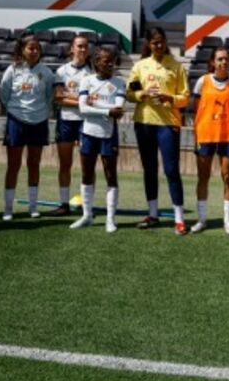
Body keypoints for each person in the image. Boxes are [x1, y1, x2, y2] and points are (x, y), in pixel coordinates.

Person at [126, 27, 190, 234]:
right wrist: (142, 94)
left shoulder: (176, 66)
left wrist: (170, 98)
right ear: (148, 44)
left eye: (161, 41)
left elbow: (185, 97)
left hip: (168, 123)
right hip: (144, 122)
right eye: (154, 43)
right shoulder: (140, 66)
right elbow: (130, 92)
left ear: (166, 42)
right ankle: (152, 214)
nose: (159, 46)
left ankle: (179, 219)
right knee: (150, 169)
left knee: (172, 171)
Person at [0, 32, 56, 220]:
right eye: (30, 48)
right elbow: (4, 94)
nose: (34, 51)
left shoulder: (47, 72)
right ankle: (8, 208)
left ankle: (32, 207)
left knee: (34, 164)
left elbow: (49, 97)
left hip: (39, 122)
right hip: (16, 121)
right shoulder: (13, 70)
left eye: (37, 48)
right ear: (22, 50)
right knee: (13, 165)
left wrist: (38, 113)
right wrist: (16, 110)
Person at [70, 47, 126, 233]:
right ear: (96, 62)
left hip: (109, 134)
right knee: (87, 174)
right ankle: (86, 215)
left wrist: (95, 105)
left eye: (111, 60)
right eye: (105, 60)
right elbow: (83, 109)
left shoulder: (119, 83)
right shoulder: (86, 80)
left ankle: (110, 219)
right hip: (88, 132)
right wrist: (106, 110)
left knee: (111, 175)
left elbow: (118, 111)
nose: (109, 63)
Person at [191, 46, 229, 235]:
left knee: (228, 177)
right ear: (213, 62)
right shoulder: (202, 82)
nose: (223, 62)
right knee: (203, 177)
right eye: (219, 59)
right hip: (205, 136)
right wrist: (195, 135)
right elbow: (196, 111)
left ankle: (228, 221)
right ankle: (202, 219)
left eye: (226, 59)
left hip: (228, 136)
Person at [53, 34, 93, 215]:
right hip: (66, 121)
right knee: (65, 164)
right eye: (79, 46)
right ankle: (63, 204)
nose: (82, 49)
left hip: (86, 121)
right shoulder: (61, 71)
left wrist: (73, 98)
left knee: (88, 165)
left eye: (85, 46)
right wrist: (81, 100)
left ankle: (87, 204)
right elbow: (59, 98)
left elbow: (93, 99)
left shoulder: (92, 73)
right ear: (72, 49)